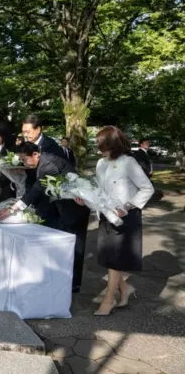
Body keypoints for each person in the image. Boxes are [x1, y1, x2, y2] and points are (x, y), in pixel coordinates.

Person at [0, 142, 90, 293]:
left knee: (74, 246)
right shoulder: (41, 162)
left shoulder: (48, 165)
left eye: (25, 159)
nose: (24, 163)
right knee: (61, 245)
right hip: (60, 206)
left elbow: (37, 190)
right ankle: (61, 280)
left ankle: (73, 284)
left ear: (35, 154)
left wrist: (12, 209)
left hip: (74, 208)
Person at [85, 126, 154, 316]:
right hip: (106, 214)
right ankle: (125, 288)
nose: (100, 149)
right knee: (108, 257)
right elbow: (99, 188)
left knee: (115, 259)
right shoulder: (101, 163)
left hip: (125, 216)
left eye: (103, 144)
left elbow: (147, 188)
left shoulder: (128, 162)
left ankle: (109, 299)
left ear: (113, 144)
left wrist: (128, 206)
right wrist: (85, 196)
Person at [22, 114, 65, 189]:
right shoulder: (25, 146)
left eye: (28, 132)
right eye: (23, 132)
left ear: (38, 129)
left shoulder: (51, 146)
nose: (25, 135)